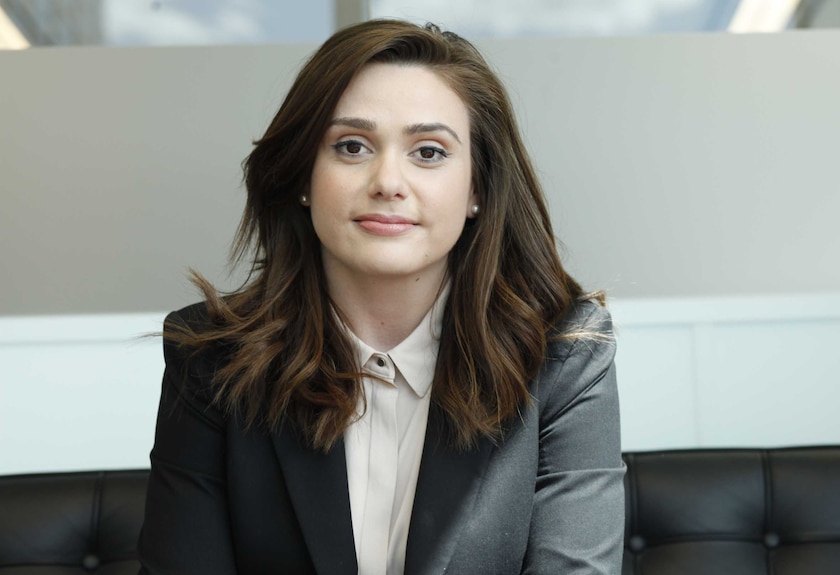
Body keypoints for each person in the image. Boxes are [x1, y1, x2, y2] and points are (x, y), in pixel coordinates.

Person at [137, 18, 624, 575]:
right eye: (351, 146)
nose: (388, 181)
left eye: (430, 152)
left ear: (478, 190)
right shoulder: (209, 359)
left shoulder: (564, 355)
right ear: (302, 175)